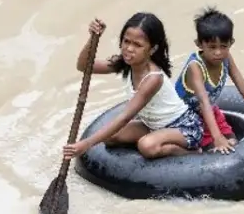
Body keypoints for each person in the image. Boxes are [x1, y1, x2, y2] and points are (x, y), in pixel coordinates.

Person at [61, 13, 204, 161]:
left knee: (146, 146)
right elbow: (84, 66)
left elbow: (125, 117)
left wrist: (86, 144)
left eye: (137, 45)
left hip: (182, 127)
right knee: (110, 137)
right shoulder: (125, 63)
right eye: (126, 41)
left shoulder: (153, 78)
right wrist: (93, 38)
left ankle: (191, 153)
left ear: (152, 49)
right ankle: (156, 138)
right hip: (152, 125)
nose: (129, 48)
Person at [175, 7, 244, 154]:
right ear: (200, 44)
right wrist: (217, 137)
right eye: (212, 47)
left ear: (231, 43)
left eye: (223, 46)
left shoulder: (226, 57)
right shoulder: (195, 67)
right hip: (187, 118)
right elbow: (203, 102)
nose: (218, 52)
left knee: (233, 142)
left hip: (210, 112)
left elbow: (241, 83)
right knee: (215, 149)